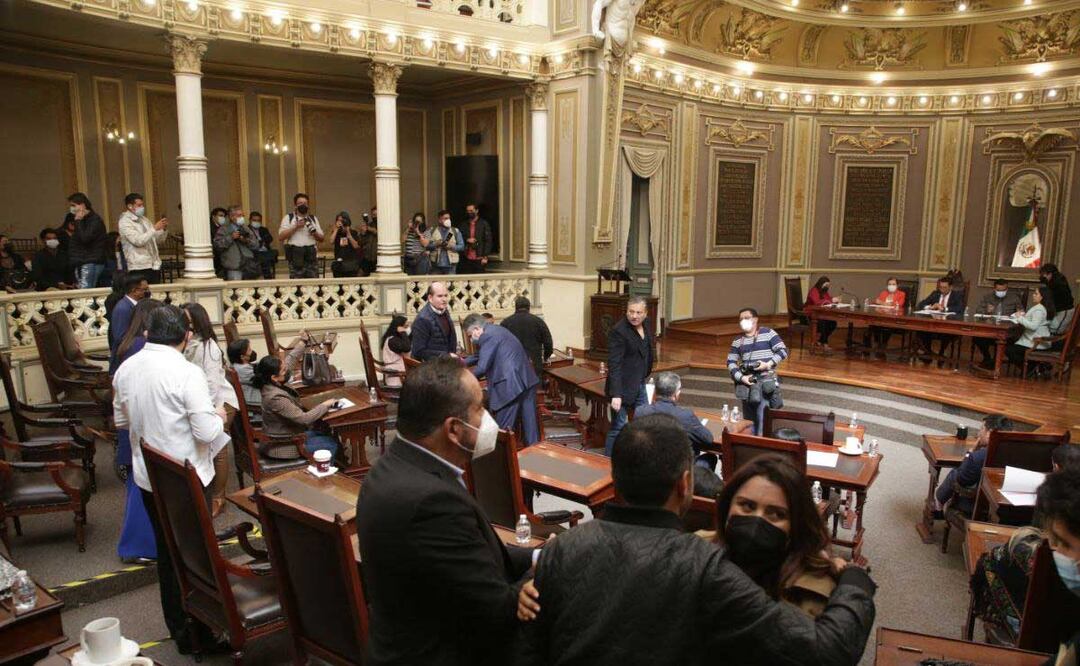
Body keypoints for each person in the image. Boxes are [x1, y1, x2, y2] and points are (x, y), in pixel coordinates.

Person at [515, 414, 876, 665]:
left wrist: (525, 584)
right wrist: (856, 584)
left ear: (615, 480)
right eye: (747, 506)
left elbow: (529, 647)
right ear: (686, 484)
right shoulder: (705, 566)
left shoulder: (562, 546)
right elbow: (826, 651)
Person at [356, 357, 538, 666]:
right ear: (454, 429)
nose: (488, 418)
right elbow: (497, 610)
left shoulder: (392, 466)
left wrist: (538, 555)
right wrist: (547, 572)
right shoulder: (432, 502)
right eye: (480, 408)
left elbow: (469, 556)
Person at [112, 304, 230, 655]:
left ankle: (180, 629)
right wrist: (220, 414)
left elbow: (121, 420)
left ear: (147, 333)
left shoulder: (126, 367)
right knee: (197, 555)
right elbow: (207, 431)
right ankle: (204, 634)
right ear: (187, 336)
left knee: (168, 553)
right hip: (188, 478)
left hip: (149, 477)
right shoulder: (187, 372)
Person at [710, 455, 844, 617]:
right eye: (747, 506)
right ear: (728, 506)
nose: (757, 520)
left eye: (776, 514)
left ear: (797, 525)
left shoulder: (813, 596)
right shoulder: (696, 548)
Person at [113, 298, 164, 564]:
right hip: (145, 428)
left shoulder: (126, 344)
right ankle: (138, 547)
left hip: (132, 427)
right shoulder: (142, 348)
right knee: (142, 491)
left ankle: (137, 545)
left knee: (138, 487)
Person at [181, 303, 239, 517]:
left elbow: (213, 385)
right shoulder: (188, 344)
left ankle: (219, 498)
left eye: (188, 320)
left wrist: (207, 412)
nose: (185, 324)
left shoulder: (209, 347)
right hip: (203, 402)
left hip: (222, 403)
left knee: (218, 446)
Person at [462, 313, 541, 445]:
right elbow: (479, 355)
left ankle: (502, 462)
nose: (471, 340)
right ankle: (535, 458)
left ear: (476, 329)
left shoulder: (487, 336)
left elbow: (482, 368)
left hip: (510, 385)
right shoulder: (495, 330)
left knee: (503, 432)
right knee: (530, 428)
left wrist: (462, 380)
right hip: (526, 380)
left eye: (470, 335)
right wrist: (460, 362)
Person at [251, 355, 339, 457]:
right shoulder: (275, 397)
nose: (287, 371)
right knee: (331, 444)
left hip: (288, 434)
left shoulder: (269, 385)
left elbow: (289, 362)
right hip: (282, 445)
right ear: (274, 377)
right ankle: (324, 471)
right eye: (284, 371)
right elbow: (304, 419)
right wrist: (325, 405)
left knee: (322, 433)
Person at [604, 295, 654, 457]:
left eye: (638, 312)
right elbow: (614, 364)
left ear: (645, 313)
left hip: (639, 382)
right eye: (631, 312)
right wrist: (616, 394)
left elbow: (646, 350)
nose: (634, 316)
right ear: (626, 311)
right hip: (622, 387)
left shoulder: (646, 324)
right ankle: (606, 463)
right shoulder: (619, 331)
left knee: (644, 423)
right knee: (618, 427)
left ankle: (636, 458)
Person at [935, 414, 1014, 513]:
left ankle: (938, 502)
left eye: (981, 429)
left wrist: (970, 453)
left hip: (974, 506)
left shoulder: (977, 457)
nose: (979, 433)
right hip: (1002, 504)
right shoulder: (1014, 454)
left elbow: (961, 480)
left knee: (954, 473)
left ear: (989, 433)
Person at [727, 307, 788, 436]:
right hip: (747, 384)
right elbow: (730, 363)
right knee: (749, 422)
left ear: (755, 319)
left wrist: (768, 364)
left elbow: (783, 351)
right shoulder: (737, 341)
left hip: (765, 383)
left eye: (746, 318)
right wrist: (741, 378)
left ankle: (761, 446)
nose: (743, 321)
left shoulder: (768, 333)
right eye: (741, 319)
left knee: (762, 421)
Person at [633, 371, 713, 460]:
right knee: (710, 458)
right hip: (679, 469)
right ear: (676, 394)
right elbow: (708, 439)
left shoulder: (640, 412)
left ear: (655, 391)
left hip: (648, 466)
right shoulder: (686, 416)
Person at [973, 279, 1024, 368]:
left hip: (1007, 328)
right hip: (990, 326)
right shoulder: (988, 297)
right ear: (994, 288)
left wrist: (1017, 314)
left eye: (1003, 290)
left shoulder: (1014, 298)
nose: (1001, 292)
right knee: (977, 337)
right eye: (998, 290)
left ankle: (994, 362)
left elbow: (1021, 311)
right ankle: (987, 358)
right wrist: (986, 311)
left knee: (1001, 339)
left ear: (1007, 289)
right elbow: (978, 310)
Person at [117, 192, 168, 284]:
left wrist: (162, 230)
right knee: (141, 295)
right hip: (139, 266)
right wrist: (154, 228)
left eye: (142, 205)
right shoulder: (125, 221)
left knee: (154, 295)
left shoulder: (144, 219)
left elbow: (156, 239)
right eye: (139, 205)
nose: (142, 208)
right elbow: (138, 241)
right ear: (130, 206)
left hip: (153, 264)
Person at [1005, 285, 1055, 374]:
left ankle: (1030, 368)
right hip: (1040, 342)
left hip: (1036, 343)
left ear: (1042, 297)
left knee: (1009, 350)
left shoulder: (1039, 309)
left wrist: (1019, 317)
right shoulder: (1043, 307)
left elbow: (1033, 326)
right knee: (1010, 343)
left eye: (1036, 294)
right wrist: (1024, 316)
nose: (1033, 295)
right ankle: (1038, 365)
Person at [915, 276, 965, 361]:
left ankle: (942, 352)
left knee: (947, 331)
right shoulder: (935, 293)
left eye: (945, 287)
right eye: (940, 287)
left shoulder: (956, 295)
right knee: (921, 328)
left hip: (949, 323)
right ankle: (928, 351)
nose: (942, 290)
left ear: (950, 287)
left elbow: (960, 308)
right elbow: (920, 304)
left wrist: (945, 308)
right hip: (934, 322)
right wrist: (930, 307)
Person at [108, 274, 150, 374]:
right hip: (125, 360)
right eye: (144, 289)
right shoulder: (123, 308)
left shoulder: (134, 305)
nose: (147, 292)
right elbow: (120, 337)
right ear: (134, 290)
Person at [500, 296, 553, 374]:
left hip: (513, 363)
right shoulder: (538, 321)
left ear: (516, 307)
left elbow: (500, 344)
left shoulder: (506, 322)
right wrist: (545, 357)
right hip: (534, 363)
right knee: (535, 385)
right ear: (529, 307)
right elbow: (548, 343)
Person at [67, 192, 108, 289]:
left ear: (82, 205)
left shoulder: (94, 220)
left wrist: (78, 221)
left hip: (90, 261)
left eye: (73, 205)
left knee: (85, 294)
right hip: (83, 260)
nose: (72, 208)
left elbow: (85, 238)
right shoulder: (84, 220)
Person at [279, 193, 324, 278]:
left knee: (313, 285)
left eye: (305, 204)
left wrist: (315, 233)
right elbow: (281, 237)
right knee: (297, 286)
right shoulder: (288, 218)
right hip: (296, 256)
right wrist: (295, 227)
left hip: (311, 257)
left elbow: (322, 238)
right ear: (295, 205)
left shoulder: (313, 218)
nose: (303, 205)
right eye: (300, 203)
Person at [410, 282, 458, 360]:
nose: (444, 299)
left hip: (447, 364)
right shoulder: (422, 319)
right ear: (430, 298)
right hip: (431, 368)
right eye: (440, 296)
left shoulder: (444, 311)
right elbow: (419, 351)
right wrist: (446, 356)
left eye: (446, 295)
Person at [213, 205, 260, 281]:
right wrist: (231, 237)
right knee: (236, 290)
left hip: (248, 266)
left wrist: (246, 240)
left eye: (242, 215)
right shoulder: (223, 229)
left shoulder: (246, 228)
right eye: (239, 215)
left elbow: (256, 245)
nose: (242, 217)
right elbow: (217, 246)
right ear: (231, 217)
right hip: (234, 267)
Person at [865, 276, 906, 356]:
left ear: (897, 285)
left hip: (894, 318)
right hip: (881, 315)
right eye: (889, 284)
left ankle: (883, 344)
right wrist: (883, 303)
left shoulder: (901, 294)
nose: (891, 286)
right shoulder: (884, 293)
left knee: (887, 326)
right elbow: (877, 301)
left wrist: (883, 303)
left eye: (893, 284)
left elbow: (898, 305)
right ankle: (876, 344)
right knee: (874, 323)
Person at [804, 276, 839, 350]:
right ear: (821, 284)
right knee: (823, 323)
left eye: (828, 285)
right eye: (826, 285)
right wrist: (831, 300)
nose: (827, 287)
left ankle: (821, 341)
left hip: (820, 315)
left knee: (833, 323)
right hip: (811, 315)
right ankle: (825, 343)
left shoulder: (824, 291)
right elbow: (817, 302)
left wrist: (834, 300)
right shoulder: (814, 291)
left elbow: (828, 299)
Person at [425, 209, 464, 275]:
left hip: (451, 265)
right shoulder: (431, 230)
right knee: (436, 284)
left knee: (450, 284)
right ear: (439, 220)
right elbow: (426, 245)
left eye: (449, 218)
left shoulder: (455, 231)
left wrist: (451, 246)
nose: (448, 220)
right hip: (435, 265)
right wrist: (436, 244)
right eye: (445, 218)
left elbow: (462, 246)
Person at [458, 202, 491, 274]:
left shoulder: (484, 224)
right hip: (466, 258)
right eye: (468, 211)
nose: (469, 213)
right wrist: (467, 239)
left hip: (479, 258)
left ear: (476, 211)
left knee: (479, 282)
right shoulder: (463, 224)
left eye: (471, 211)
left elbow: (488, 241)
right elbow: (458, 237)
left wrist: (485, 257)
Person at [227, 338, 260, 406]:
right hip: (254, 398)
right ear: (242, 357)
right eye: (249, 350)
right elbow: (261, 380)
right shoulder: (243, 369)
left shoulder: (236, 365)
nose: (252, 351)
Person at [381, 314, 411, 388]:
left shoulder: (393, 338)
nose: (408, 328)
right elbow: (407, 348)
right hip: (397, 377)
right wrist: (403, 333)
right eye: (406, 326)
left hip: (398, 372)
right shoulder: (393, 340)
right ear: (399, 327)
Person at [330, 211, 362, 277]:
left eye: (342, 220)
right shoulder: (336, 233)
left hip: (351, 265)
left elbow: (356, 246)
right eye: (338, 221)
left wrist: (349, 234)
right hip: (339, 264)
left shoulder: (353, 232)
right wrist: (336, 229)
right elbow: (331, 241)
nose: (341, 222)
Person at [249, 211, 277, 278]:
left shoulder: (263, 229)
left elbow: (270, 239)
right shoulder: (247, 229)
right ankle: (266, 275)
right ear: (250, 220)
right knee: (264, 259)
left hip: (265, 251)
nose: (256, 222)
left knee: (269, 255)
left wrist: (262, 241)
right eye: (254, 220)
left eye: (258, 220)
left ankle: (268, 277)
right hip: (254, 252)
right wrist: (259, 242)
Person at [209, 207, 228, 278]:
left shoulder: (224, 227)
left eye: (224, 216)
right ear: (213, 216)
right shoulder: (208, 227)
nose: (223, 218)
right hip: (215, 257)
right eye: (220, 215)